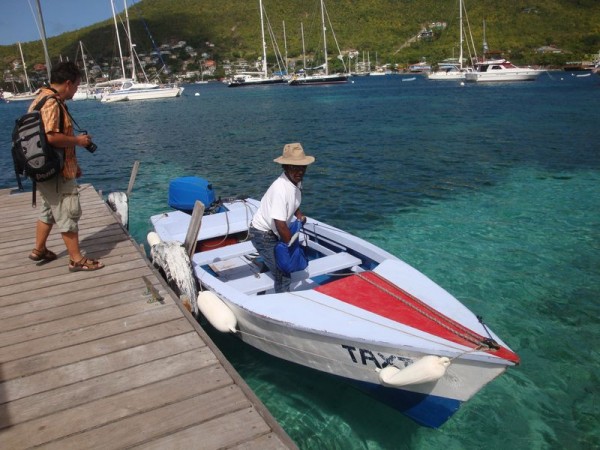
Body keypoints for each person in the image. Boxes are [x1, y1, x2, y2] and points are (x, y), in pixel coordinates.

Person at [27, 61, 105, 272]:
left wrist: (73, 164)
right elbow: (52, 137)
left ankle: (39, 249)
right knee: (68, 211)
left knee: (48, 210)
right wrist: (78, 141)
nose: (77, 90)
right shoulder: (52, 103)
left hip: (43, 168)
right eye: (77, 86)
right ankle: (76, 259)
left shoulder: (39, 99)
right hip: (55, 172)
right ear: (68, 83)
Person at [249, 142, 315, 293]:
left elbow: (292, 201)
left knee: (277, 261)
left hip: (275, 231)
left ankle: (266, 272)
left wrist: (298, 214)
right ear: (285, 167)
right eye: (294, 167)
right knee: (283, 274)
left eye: (302, 167)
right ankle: (282, 302)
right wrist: (292, 250)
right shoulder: (280, 189)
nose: (300, 171)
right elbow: (280, 224)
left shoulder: (294, 181)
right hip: (263, 234)